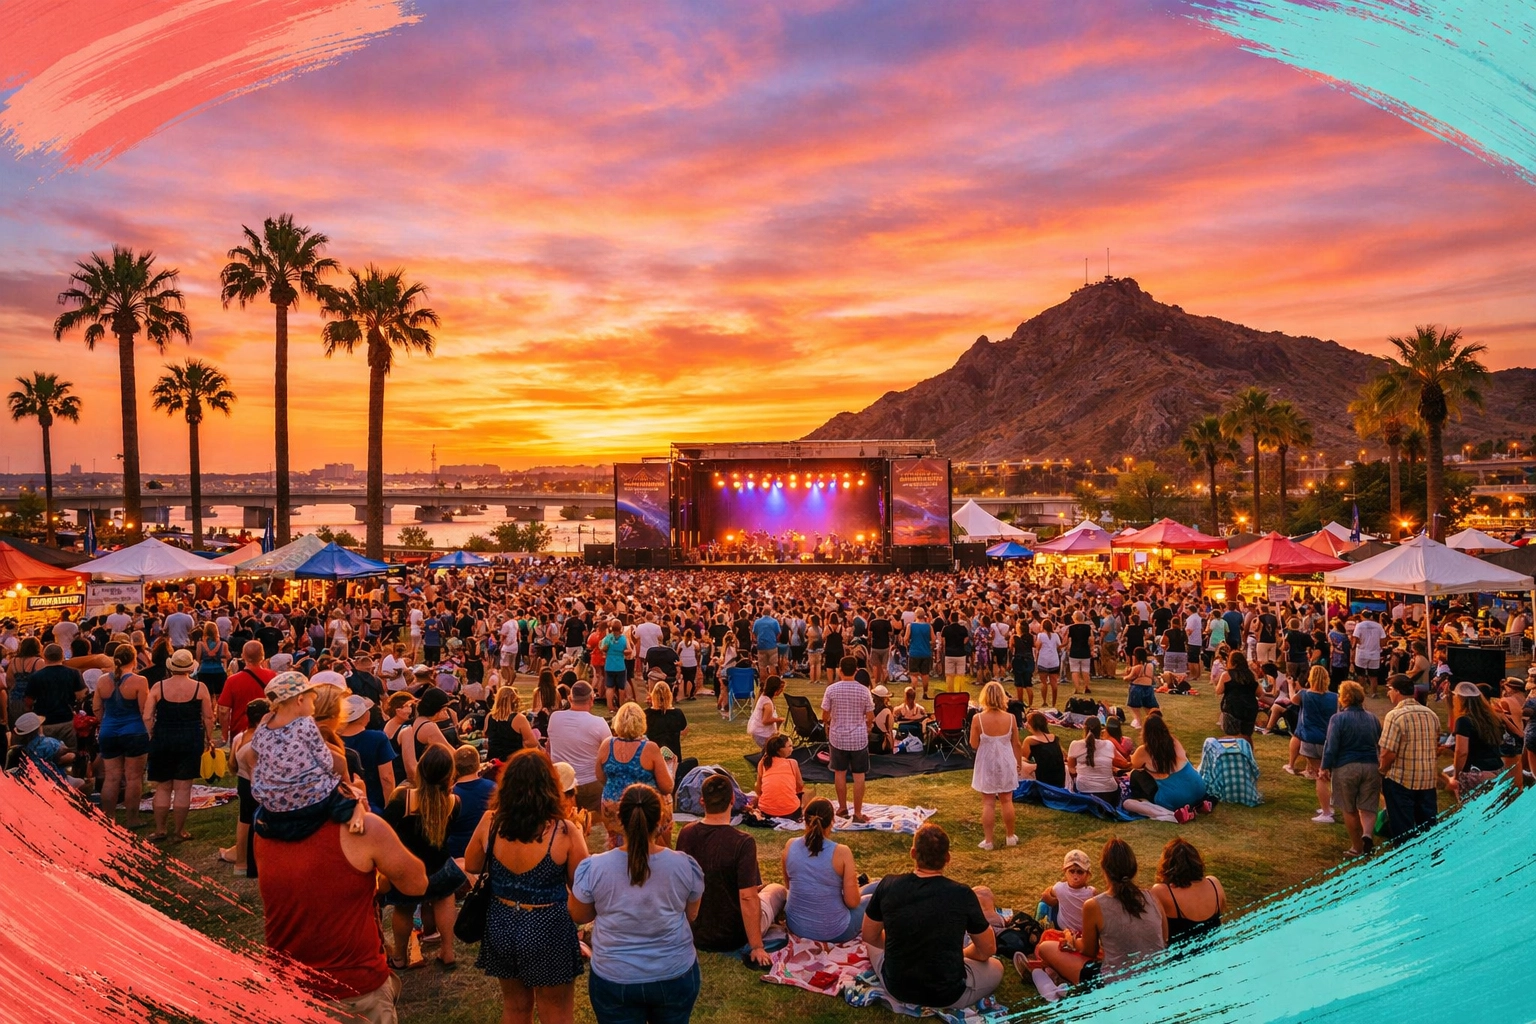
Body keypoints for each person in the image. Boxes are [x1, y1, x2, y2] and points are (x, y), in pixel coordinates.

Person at [256, 786, 428, 1024]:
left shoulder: (264, 828)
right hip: (354, 989)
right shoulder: (361, 829)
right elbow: (417, 883)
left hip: (290, 988)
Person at [465, 749, 588, 1024]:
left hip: (502, 922)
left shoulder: (491, 822)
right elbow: (582, 886)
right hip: (549, 926)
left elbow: (472, 863)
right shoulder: (564, 830)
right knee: (556, 1012)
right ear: (551, 786)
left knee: (516, 1008)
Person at [569, 784, 705, 1024]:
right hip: (673, 972)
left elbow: (580, 915)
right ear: (660, 819)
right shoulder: (684, 865)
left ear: (620, 819)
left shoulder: (595, 867)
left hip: (615, 977)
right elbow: (691, 914)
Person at [862, 823, 1003, 1010]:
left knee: (871, 942)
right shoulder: (962, 894)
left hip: (897, 986)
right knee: (996, 967)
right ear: (947, 858)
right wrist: (961, 954)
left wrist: (900, 944)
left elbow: (869, 935)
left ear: (913, 853)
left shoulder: (888, 885)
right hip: (947, 994)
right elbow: (987, 949)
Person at [1027, 838, 1168, 1002]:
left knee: (1046, 947)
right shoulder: (1153, 897)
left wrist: (1071, 940)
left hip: (1116, 987)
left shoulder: (1094, 905)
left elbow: (1088, 951)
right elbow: (1164, 939)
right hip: (1159, 982)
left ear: (1104, 871)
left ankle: (1048, 977)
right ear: (1134, 869)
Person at [676, 773, 786, 966]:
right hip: (735, 935)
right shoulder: (742, 842)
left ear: (702, 801)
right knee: (778, 890)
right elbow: (747, 897)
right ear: (732, 800)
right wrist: (757, 946)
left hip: (697, 932)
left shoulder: (686, 833)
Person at [382, 743, 463, 969]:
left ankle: (400, 957)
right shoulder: (454, 803)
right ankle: (448, 952)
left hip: (408, 869)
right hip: (440, 867)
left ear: (421, 769)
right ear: (450, 774)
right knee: (445, 898)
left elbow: (385, 830)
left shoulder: (403, 799)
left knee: (403, 908)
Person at [143, 648, 215, 840]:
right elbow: (208, 717)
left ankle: (160, 829)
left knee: (163, 787)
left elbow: (147, 716)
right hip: (190, 738)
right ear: (190, 668)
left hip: (163, 737)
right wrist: (209, 738)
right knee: (183, 788)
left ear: (171, 667)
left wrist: (150, 735)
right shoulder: (200, 688)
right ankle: (179, 831)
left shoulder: (158, 687)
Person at [782, 798, 871, 942]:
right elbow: (852, 902)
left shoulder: (790, 845)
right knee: (876, 896)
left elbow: (789, 886)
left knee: (876, 886)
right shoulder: (842, 852)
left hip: (796, 925)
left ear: (805, 820)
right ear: (832, 822)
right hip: (835, 930)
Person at [595, 702, 673, 849]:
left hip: (612, 810)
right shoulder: (650, 748)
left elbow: (600, 776)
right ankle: (661, 848)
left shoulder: (607, 745)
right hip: (643, 810)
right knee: (667, 798)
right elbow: (667, 787)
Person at [1320, 681, 1382, 856]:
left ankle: (1357, 847)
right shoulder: (1373, 718)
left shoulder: (1338, 719)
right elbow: (1379, 743)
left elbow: (1331, 746)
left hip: (1346, 767)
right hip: (1371, 766)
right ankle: (1367, 834)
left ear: (1344, 698)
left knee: (1349, 809)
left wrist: (1324, 767)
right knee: (1368, 807)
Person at [1377, 673, 1442, 841]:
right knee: (1428, 828)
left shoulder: (1394, 716)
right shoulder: (1431, 714)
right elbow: (1436, 745)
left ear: (1397, 691)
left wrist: (1382, 770)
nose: (1388, 693)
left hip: (1401, 780)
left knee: (1402, 828)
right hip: (1427, 779)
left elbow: (1388, 752)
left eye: (1389, 689)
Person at [94, 644, 149, 827]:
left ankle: (108, 818)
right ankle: (132, 819)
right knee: (134, 777)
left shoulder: (102, 681)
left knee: (111, 777)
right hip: (134, 731)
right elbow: (144, 710)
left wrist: (106, 722)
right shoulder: (139, 681)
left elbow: (96, 708)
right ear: (134, 659)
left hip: (108, 731)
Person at [969, 681, 1021, 849]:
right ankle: (1010, 836)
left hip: (987, 762)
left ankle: (989, 841)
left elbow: (973, 744)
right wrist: (1019, 763)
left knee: (988, 802)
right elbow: (1016, 743)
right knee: (1007, 800)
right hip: (1006, 761)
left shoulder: (977, 719)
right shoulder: (1011, 718)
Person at [821, 656, 874, 823]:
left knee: (839, 773)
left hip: (838, 737)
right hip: (858, 738)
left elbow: (824, 715)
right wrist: (867, 726)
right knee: (859, 775)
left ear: (840, 670)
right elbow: (870, 716)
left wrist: (830, 722)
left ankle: (842, 808)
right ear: (856, 671)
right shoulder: (864, 690)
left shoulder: (831, 690)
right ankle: (857, 813)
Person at [547, 681, 612, 814]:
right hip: (591, 784)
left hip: (562, 784)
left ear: (570, 699)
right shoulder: (599, 723)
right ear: (591, 699)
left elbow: (549, 747)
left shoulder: (554, 718)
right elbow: (610, 754)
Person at [1126, 715, 1206, 821]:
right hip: (1199, 789)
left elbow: (1134, 764)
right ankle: (1199, 805)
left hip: (1176, 798)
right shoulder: (1174, 742)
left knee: (1135, 775)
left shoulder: (1144, 750)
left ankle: (1166, 812)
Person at [1151, 837, 1225, 944]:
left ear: (1166, 865)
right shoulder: (1214, 883)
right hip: (1214, 951)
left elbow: (1157, 932)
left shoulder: (1161, 891)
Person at [1290, 666, 1339, 823]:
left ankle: (1326, 812)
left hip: (1310, 739)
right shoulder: (1335, 697)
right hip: (1329, 739)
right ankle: (1329, 805)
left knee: (1320, 775)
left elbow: (1292, 700)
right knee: (1329, 774)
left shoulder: (1304, 694)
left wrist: (1291, 685)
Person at [24, 643, 86, 760]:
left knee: (47, 755)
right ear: (62, 656)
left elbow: (28, 701)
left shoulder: (36, 677)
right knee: (70, 753)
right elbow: (81, 696)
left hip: (45, 722)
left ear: (44, 657)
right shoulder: (73, 673)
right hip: (67, 720)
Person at [1448, 680, 1505, 802]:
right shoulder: (1491, 717)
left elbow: (1461, 751)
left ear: (1460, 699)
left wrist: (1456, 775)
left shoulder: (1464, 721)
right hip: (1496, 768)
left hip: (1475, 772)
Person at [340, 695, 398, 814]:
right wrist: (389, 808)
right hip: (374, 803)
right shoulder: (378, 738)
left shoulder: (333, 740)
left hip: (343, 804)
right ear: (364, 715)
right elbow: (387, 777)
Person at [1197, 714, 1262, 807]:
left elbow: (1203, 771)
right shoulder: (1244, 744)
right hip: (1246, 794)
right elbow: (1254, 770)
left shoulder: (1211, 743)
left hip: (1220, 794)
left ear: (1223, 726)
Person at [445, 744, 497, 860]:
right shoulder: (494, 788)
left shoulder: (449, 796)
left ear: (455, 768)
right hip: (486, 852)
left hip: (456, 854)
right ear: (478, 765)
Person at [218, 641, 274, 747]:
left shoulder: (233, 680)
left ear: (243, 656)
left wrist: (224, 735)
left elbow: (223, 710)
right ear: (263, 656)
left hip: (241, 733)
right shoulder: (273, 677)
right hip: (268, 731)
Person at [9, 711, 81, 788]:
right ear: (38, 728)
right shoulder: (49, 743)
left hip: (33, 780)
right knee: (81, 782)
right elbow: (69, 757)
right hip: (55, 780)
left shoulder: (20, 748)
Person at [1068, 717, 1122, 806]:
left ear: (1084, 728)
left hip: (1084, 791)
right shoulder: (1109, 744)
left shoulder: (1075, 744)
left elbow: (1071, 769)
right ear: (1100, 730)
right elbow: (1122, 762)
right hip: (1109, 794)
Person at [1039, 849, 1096, 933]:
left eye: (1080, 872)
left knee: (1042, 904)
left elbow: (1045, 895)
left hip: (1073, 931)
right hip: (1070, 931)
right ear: (1065, 872)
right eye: (1072, 871)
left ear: (1087, 874)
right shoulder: (1060, 888)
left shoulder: (1091, 893)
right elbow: (1045, 895)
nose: (1075, 876)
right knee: (1043, 904)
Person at [752, 734, 806, 819]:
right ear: (779, 750)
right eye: (790, 746)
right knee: (807, 793)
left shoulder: (763, 763)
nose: (792, 749)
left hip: (766, 811)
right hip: (791, 811)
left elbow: (759, 789)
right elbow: (800, 786)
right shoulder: (792, 763)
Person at [485, 684, 539, 762]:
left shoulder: (489, 717)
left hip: (493, 761)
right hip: (513, 762)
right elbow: (532, 743)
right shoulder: (519, 718)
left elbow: (486, 734)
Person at [1216, 651, 1260, 738]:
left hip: (1232, 709)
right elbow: (1260, 693)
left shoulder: (1226, 675)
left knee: (1232, 736)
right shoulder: (1252, 675)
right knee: (1247, 736)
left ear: (1232, 662)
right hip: (1250, 709)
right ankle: (1248, 747)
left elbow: (1218, 691)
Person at [644, 681, 689, 761]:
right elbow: (685, 731)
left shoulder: (646, 714)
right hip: (674, 759)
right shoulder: (677, 713)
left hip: (652, 759)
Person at [1122, 647, 1157, 728]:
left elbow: (1128, 678)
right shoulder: (1150, 665)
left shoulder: (1137, 667)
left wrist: (1125, 675)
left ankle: (1138, 721)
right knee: (1148, 706)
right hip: (1148, 688)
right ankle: (1152, 721)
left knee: (1134, 706)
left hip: (1137, 688)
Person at [747, 674, 785, 749]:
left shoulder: (764, 697)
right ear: (775, 691)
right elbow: (765, 720)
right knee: (777, 749)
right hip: (762, 734)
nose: (781, 692)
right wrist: (779, 719)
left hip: (761, 732)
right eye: (780, 690)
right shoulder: (767, 703)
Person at [1035, 620, 1062, 709]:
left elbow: (1037, 647)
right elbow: (1059, 646)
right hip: (1054, 661)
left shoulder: (1040, 635)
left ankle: (1044, 701)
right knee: (1054, 684)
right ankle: (1054, 703)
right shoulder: (1055, 635)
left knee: (1044, 683)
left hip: (1043, 661)